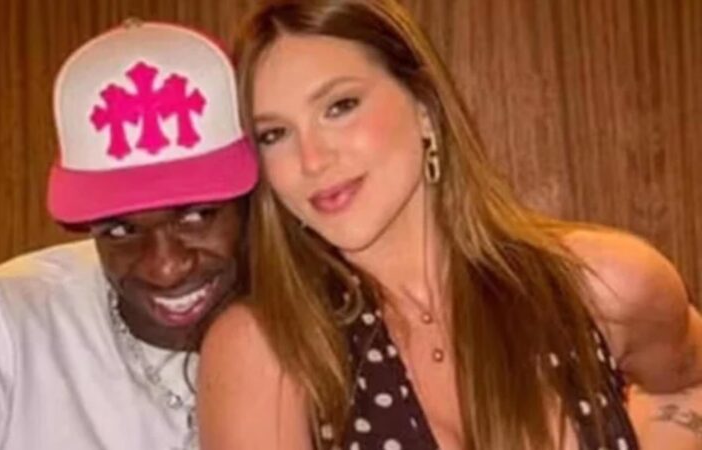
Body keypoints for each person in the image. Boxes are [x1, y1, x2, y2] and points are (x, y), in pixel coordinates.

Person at [197, 1, 702, 449]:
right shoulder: (264, 352)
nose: (312, 159)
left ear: (424, 107)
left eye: (340, 107)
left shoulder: (599, 285)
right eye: (275, 134)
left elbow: (687, 385)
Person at [0, 20, 257, 449]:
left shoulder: (312, 328)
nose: (164, 268)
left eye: (197, 216)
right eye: (121, 230)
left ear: (254, 200)